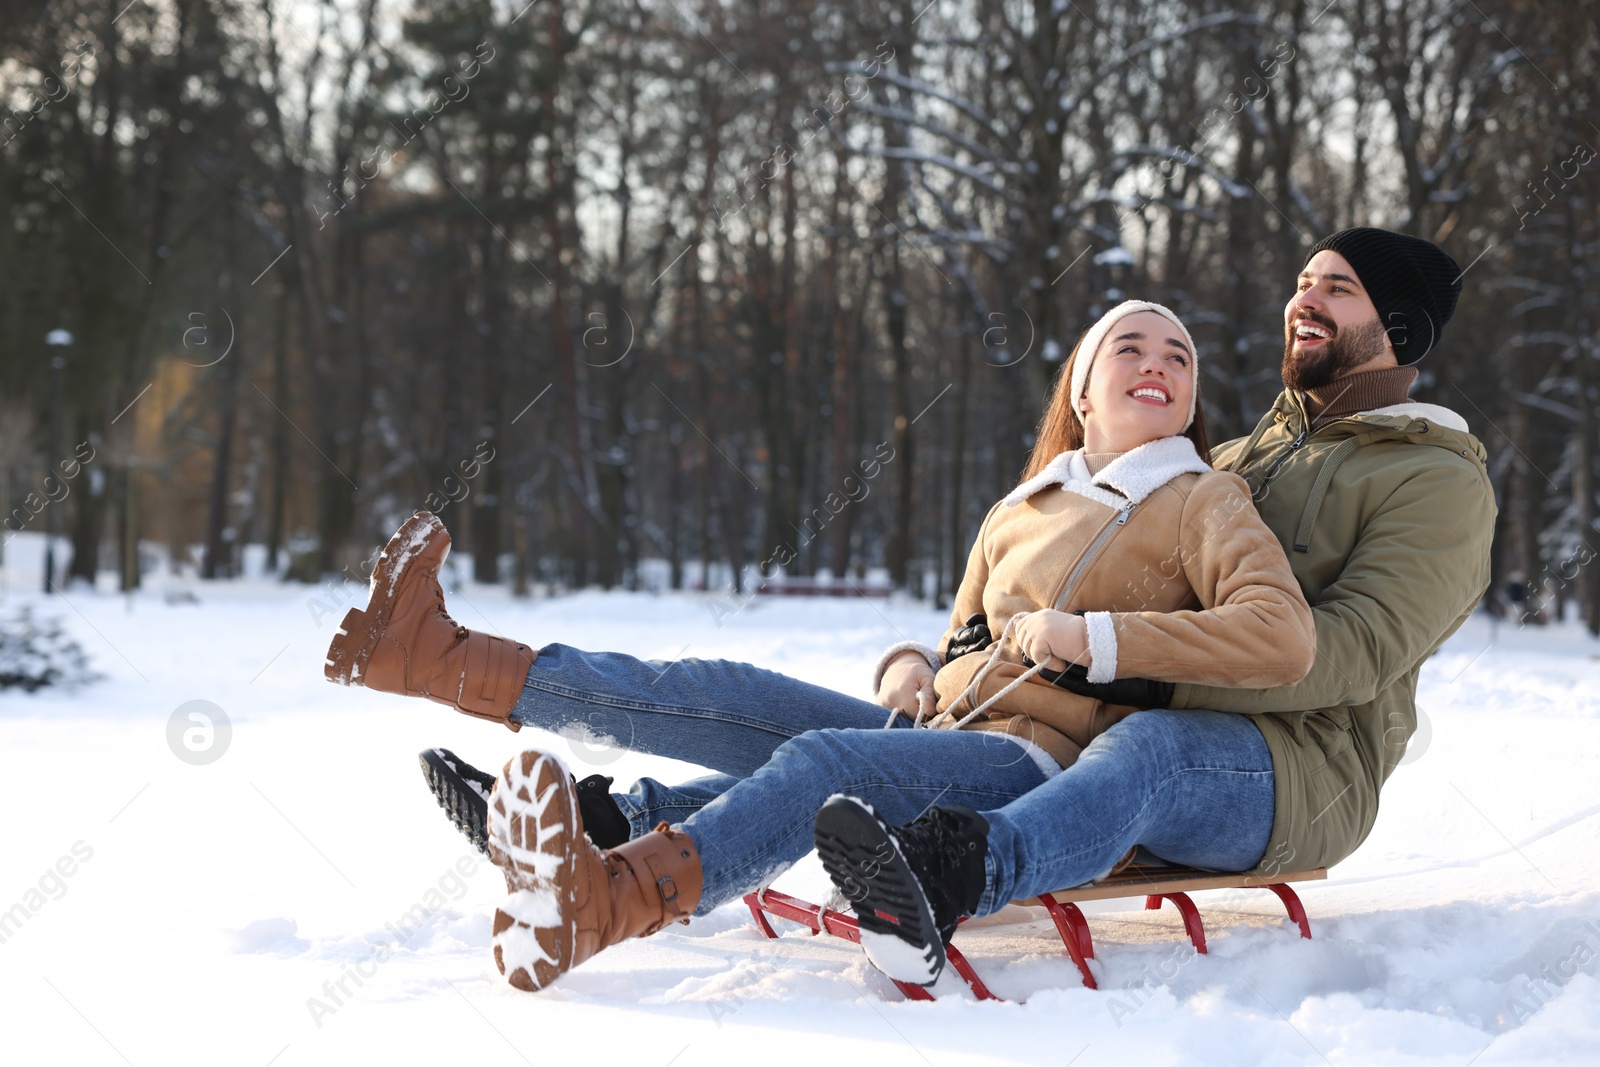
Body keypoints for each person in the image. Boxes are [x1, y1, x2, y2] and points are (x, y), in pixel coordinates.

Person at [326, 300, 1319, 990]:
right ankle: (437, 655)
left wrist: (1092, 636)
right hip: (949, 725)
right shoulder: (1024, 506)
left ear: (1190, 402)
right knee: (721, 685)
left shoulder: (1201, 498)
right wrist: (909, 666)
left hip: (1037, 760)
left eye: (1179, 356)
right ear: (1084, 390)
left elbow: (1281, 636)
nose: (1158, 362)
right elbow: (959, 639)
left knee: (820, 763)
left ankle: (612, 894)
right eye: (1131, 348)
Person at [817, 226, 1497, 983]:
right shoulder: (1236, 459)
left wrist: (1138, 673)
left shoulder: (1438, 483)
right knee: (858, 733)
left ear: (1399, 328)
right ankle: (688, 825)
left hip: (1301, 769)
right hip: (1124, 727)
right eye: (1304, 280)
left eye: (1338, 288)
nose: (1302, 299)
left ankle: (946, 878)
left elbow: (1353, 650)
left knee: (1154, 754)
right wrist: (975, 648)